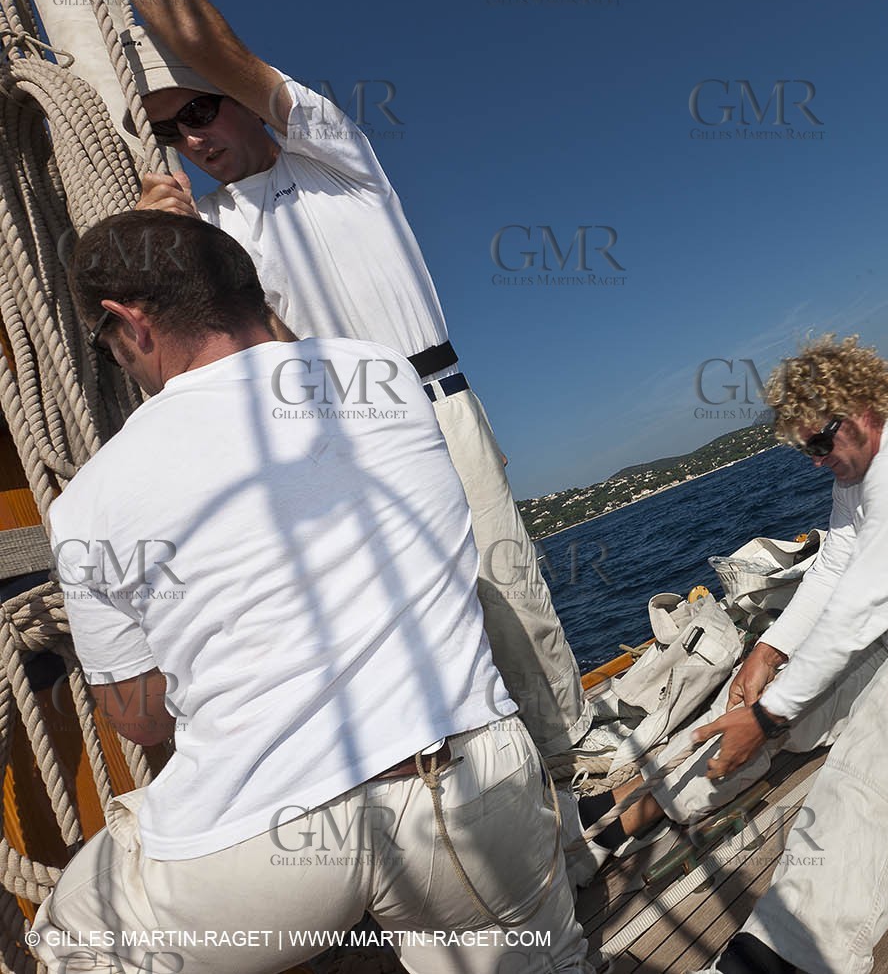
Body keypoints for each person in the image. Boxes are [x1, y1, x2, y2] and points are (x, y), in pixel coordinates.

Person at [57, 0, 592, 756]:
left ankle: (570, 766)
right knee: (402, 639)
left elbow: (210, 40)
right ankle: (493, 795)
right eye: (172, 129)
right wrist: (164, 240)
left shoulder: (335, 160)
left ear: (246, 100)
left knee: (506, 604)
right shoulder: (209, 236)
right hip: (324, 446)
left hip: (428, 403)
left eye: (203, 108)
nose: (192, 136)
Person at [34, 210, 589, 974]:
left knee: (74, 932)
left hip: (265, 858)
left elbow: (144, 723)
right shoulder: (387, 376)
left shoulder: (85, 503)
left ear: (130, 320)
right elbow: (292, 365)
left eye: (107, 343)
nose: (117, 362)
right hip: (470, 790)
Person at [567, 336, 888, 974]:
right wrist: (766, 652)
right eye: (805, 449)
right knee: (762, 704)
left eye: (821, 442)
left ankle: (795, 954)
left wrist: (766, 719)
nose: (817, 460)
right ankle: (622, 820)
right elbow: (831, 571)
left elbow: (864, 605)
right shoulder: (859, 473)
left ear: (865, 408)